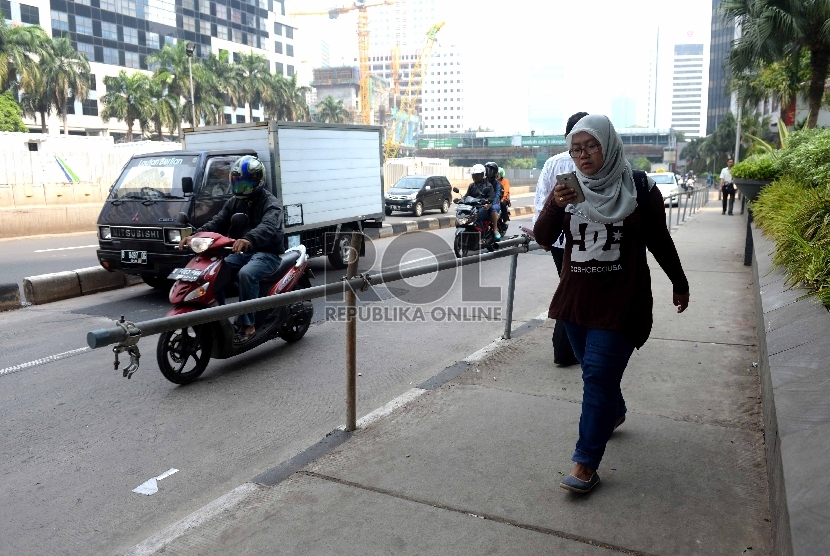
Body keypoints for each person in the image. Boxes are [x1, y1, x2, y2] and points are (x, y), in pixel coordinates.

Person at [533, 115, 690, 494]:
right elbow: (542, 236)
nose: (583, 155)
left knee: (597, 380)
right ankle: (614, 413)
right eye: (576, 149)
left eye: (591, 146)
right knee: (595, 376)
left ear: (609, 144)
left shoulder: (639, 188)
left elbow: (659, 240)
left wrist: (679, 282)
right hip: (575, 303)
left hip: (621, 302)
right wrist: (556, 204)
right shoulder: (569, 189)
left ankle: (585, 465)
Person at [179, 155, 285, 344]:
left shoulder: (271, 204)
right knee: (214, 272)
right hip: (241, 252)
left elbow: (268, 226)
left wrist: (248, 239)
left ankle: (247, 325)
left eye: (246, 183)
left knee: (247, 274)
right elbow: (217, 222)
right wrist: (194, 237)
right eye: (238, 183)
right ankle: (220, 319)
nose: (241, 187)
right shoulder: (234, 202)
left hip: (267, 253)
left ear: (258, 181)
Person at [533, 111, 589, 366]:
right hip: (583, 241)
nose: (582, 152)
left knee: (571, 289)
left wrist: (543, 235)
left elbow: (539, 203)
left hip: (560, 243)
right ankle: (565, 350)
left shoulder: (553, 163)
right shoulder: (596, 162)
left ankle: (570, 349)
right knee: (576, 291)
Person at [463, 164, 497, 234]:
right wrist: (461, 200)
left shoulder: (488, 185)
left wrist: (487, 203)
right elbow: (467, 196)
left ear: (483, 175)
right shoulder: (472, 186)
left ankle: (483, 236)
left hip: (483, 207)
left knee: (476, 218)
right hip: (473, 207)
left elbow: (491, 197)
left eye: (478, 175)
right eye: (474, 175)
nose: (476, 177)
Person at [484, 162, 502, 239]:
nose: (488, 172)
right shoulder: (483, 181)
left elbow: (497, 196)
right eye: (487, 170)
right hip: (484, 203)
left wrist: (491, 204)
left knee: (493, 208)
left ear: (494, 172)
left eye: (491, 170)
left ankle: (495, 229)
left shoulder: (497, 184)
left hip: (494, 203)